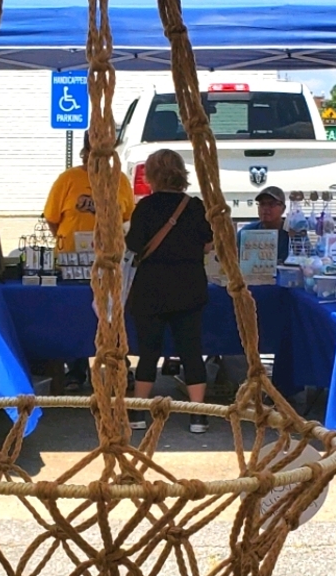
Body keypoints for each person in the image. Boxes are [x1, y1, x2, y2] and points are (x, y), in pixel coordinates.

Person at [125, 148, 213, 434]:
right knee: (191, 349)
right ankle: (198, 415)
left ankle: (138, 411)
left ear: (151, 175)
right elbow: (208, 243)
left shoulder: (146, 208)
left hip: (151, 287)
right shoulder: (194, 206)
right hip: (189, 284)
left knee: (148, 351)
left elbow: (135, 245)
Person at [43, 131, 136, 392]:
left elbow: (128, 216)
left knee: (113, 314)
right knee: (76, 315)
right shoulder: (68, 179)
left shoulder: (120, 180)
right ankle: (76, 369)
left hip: (110, 261)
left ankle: (119, 363)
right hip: (73, 261)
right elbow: (52, 218)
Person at [237, 186, 290, 265]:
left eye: (271, 204)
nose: (265, 208)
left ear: (283, 208)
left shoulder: (293, 232)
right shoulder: (246, 232)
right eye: (262, 204)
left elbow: (308, 262)